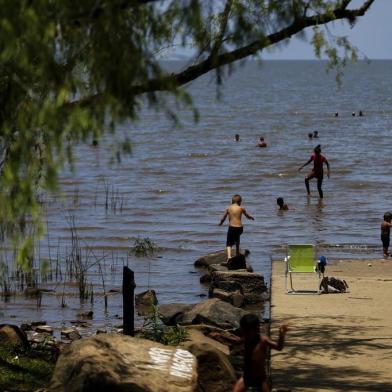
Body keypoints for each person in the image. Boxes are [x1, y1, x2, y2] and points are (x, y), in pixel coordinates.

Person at [233, 314, 289, 392]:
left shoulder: (263, 340)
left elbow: (278, 347)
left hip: (260, 379)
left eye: (247, 331)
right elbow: (236, 341)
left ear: (256, 328)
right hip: (246, 377)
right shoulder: (246, 337)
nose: (245, 333)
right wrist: (221, 336)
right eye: (244, 331)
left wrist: (281, 335)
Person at [219, 194, 254, 260]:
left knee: (229, 243)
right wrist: (251, 217)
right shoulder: (241, 208)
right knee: (237, 239)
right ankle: (237, 252)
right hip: (240, 228)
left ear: (231, 201)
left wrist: (221, 223)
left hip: (232, 227)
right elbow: (248, 216)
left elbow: (223, 218)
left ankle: (229, 257)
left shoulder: (228, 208)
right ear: (240, 202)